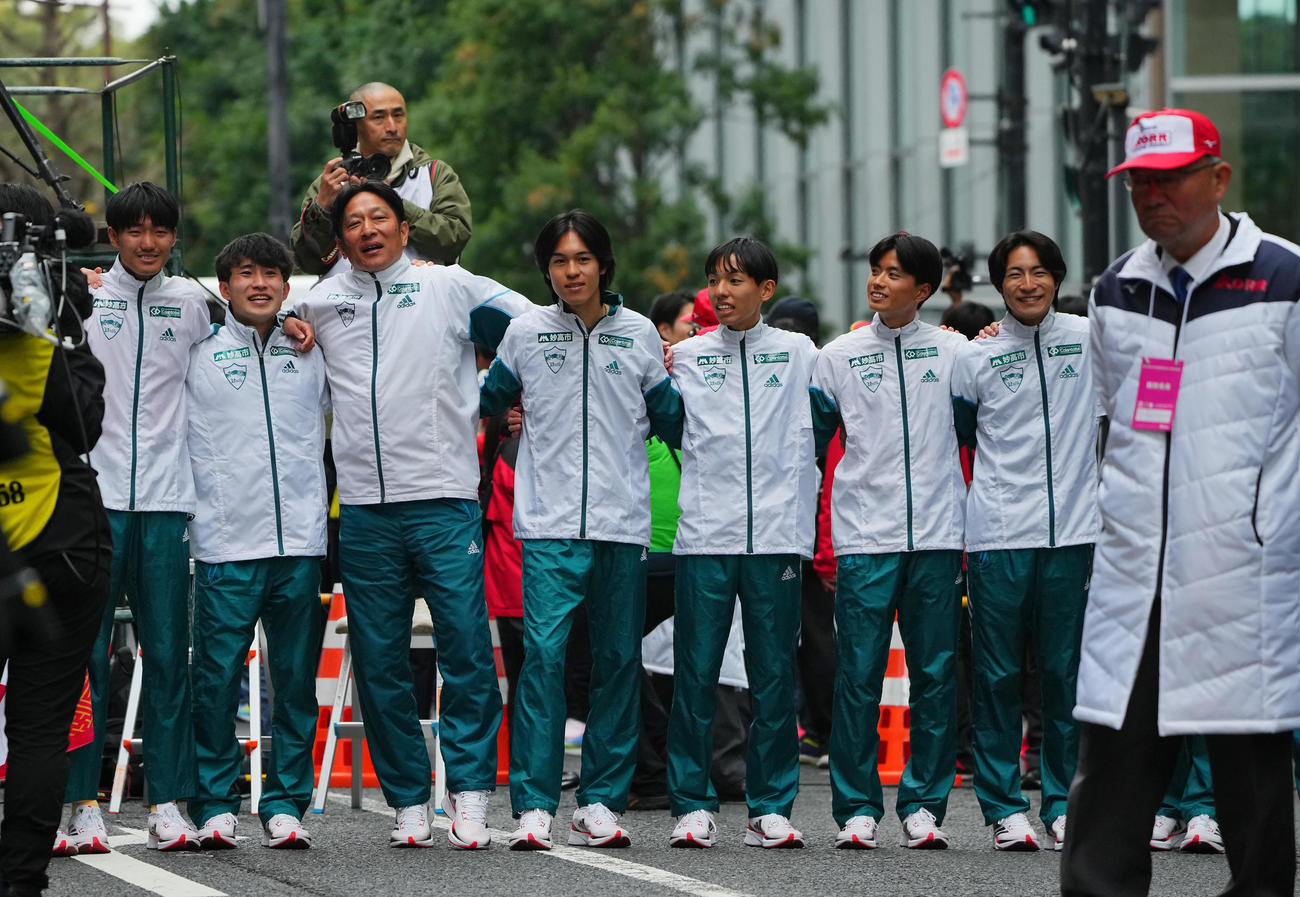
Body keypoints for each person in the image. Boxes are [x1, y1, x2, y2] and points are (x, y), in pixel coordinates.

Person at [1062, 107, 1300, 897]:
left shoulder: (1284, 278)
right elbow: (1114, 416)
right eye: (1140, 184)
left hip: (1244, 565)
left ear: (1219, 178)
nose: (1154, 198)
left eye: (1170, 179)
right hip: (1137, 569)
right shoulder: (1118, 287)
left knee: (1251, 774)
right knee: (1113, 764)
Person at [291, 180, 531, 849]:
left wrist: (501, 395)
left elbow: (539, 324)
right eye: (354, 222)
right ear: (339, 239)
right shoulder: (321, 300)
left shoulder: (447, 286)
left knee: (463, 650)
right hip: (365, 510)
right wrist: (287, 321)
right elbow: (244, 312)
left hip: (445, 500)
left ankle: (472, 792)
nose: (368, 229)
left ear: (403, 227)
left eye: (380, 218)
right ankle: (407, 801)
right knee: (378, 660)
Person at [479, 209, 679, 850]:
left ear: (603, 264)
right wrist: (505, 422)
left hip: (623, 526)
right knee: (543, 662)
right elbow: (489, 402)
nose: (571, 271)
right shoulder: (525, 331)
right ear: (547, 269)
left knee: (619, 664)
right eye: (560, 261)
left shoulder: (641, 333)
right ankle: (534, 806)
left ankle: (599, 801)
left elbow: (673, 420)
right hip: (548, 525)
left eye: (582, 259)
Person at [666, 237, 831, 850]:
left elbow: (840, 408)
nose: (722, 290)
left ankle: (771, 806)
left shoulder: (799, 353)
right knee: (697, 675)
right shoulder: (685, 358)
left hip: (776, 539)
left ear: (766, 289)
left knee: (770, 677)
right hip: (704, 537)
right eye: (714, 279)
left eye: (736, 280)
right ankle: (691, 804)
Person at [68, 183, 214, 852]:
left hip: (166, 503)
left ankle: (167, 801)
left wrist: (293, 325)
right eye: (135, 229)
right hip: (93, 503)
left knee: (167, 658)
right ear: (115, 234)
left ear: (174, 236)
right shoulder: (86, 297)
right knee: (82, 655)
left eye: (161, 229)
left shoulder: (192, 304)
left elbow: (249, 325)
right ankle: (80, 802)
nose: (149, 240)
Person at [812, 232, 968, 850]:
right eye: (875, 270)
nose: (878, 281)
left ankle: (925, 805)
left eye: (894, 273)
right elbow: (812, 446)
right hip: (865, 536)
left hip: (936, 535)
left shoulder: (957, 355)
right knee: (857, 673)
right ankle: (856, 808)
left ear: (923, 289)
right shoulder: (837, 355)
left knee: (935, 673)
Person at [950, 231, 1099, 851]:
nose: (1028, 283)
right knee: (997, 675)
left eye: (1039, 272)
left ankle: (1064, 802)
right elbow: (961, 433)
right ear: (998, 284)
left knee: (1066, 674)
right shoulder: (975, 358)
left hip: (1075, 533)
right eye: (1014, 274)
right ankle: (1004, 807)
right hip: (999, 534)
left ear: (1057, 278)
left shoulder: (1091, 340)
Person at [184, 234, 329, 851]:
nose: (260, 283)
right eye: (246, 273)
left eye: (272, 273)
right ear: (225, 287)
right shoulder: (196, 351)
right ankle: (216, 802)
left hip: (300, 542)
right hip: (224, 542)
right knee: (214, 681)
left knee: (295, 682)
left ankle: (285, 803)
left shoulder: (310, 351)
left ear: (287, 286)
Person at [0, 183, 110, 897]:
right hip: (62, 540)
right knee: (39, 729)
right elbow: (85, 422)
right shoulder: (49, 325)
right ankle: (19, 882)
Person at [291, 82, 471, 276]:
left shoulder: (433, 173)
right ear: (355, 126)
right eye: (378, 117)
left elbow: (455, 239)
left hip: (422, 302)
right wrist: (322, 209)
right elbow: (308, 263)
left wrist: (394, 203)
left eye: (398, 115)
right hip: (350, 304)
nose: (392, 127)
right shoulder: (332, 182)